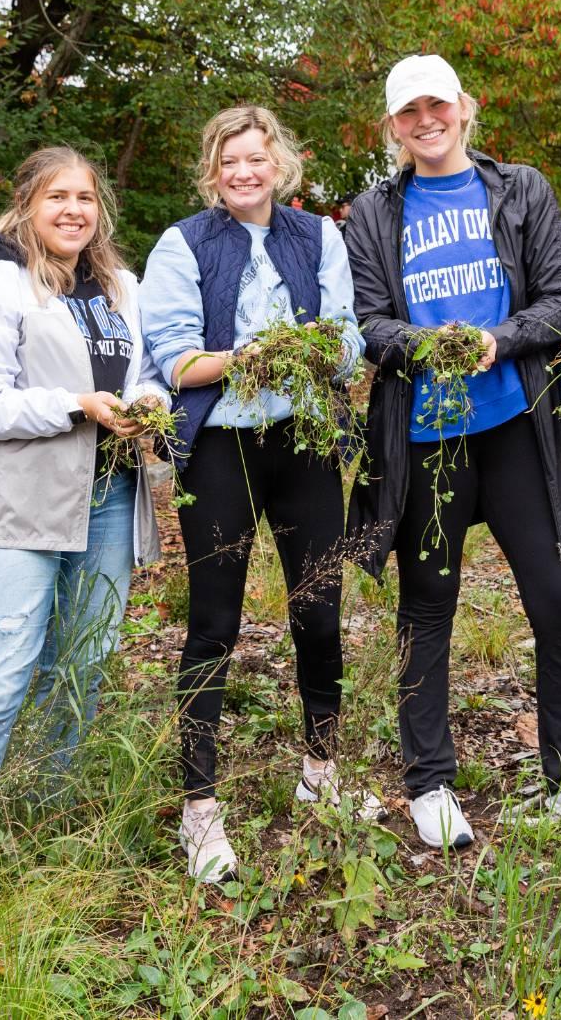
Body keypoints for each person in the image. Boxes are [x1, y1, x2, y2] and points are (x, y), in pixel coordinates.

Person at [343, 54, 561, 850]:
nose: (426, 120)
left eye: (438, 105)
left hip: (518, 425)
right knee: (428, 609)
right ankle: (429, 782)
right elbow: (372, 322)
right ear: (392, 127)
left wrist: (496, 340)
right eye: (408, 112)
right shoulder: (373, 212)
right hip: (427, 439)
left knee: (558, 599)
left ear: (465, 107)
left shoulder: (520, 188)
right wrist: (430, 347)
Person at [0, 145, 169, 934]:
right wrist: (78, 405)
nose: (73, 210)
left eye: (85, 197)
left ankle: (47, 818)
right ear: (26, 204)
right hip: (16, 511)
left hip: (107, 501)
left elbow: (149, 372)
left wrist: (145, 404)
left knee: (80, 667)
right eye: (57, 196)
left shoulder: (122, 286)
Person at [140, 105, 374, 885]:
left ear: (281, 165)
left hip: (303, 442)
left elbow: (346, 338)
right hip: (221, 447)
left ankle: (320, 767)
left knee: (320, 607)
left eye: (258, 158)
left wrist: (314, 350)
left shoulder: (320, 237)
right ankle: (199, 806)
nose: (245, 172)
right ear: (213, 171)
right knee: (213, 620)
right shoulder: (183, 243)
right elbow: (173, 359)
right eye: (230, 161)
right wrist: (247, 357)